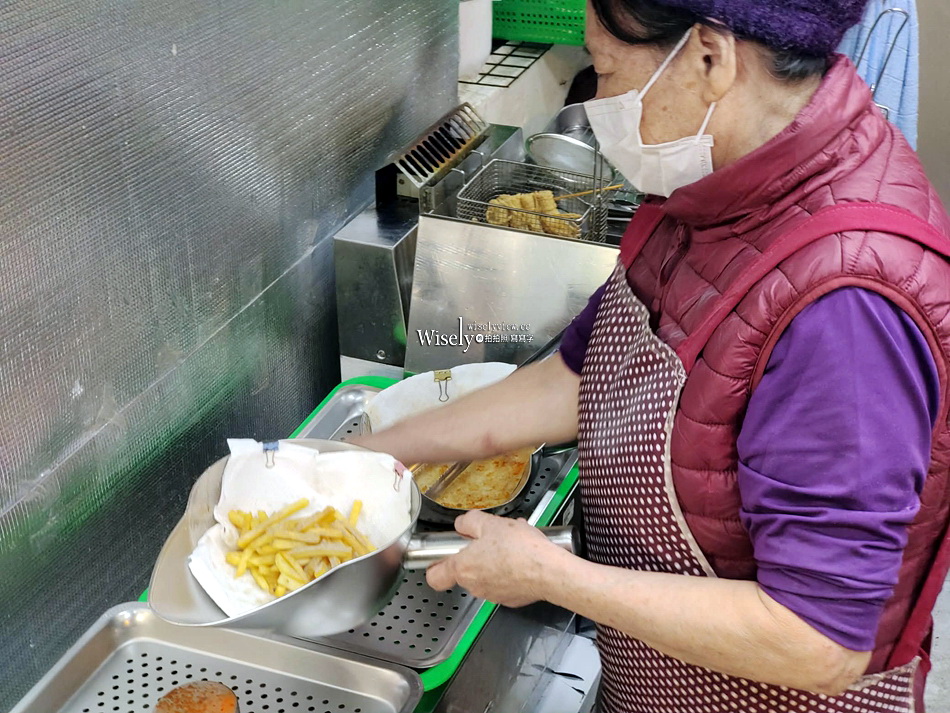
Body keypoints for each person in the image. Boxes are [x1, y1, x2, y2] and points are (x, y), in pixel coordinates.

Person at [355, 0, 950, 710]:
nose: (598, 102)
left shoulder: (847, 306)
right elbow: (577, 376)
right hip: (657, 680)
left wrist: (551, 576)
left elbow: (818, 639)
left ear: (709, 58)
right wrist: (367, 454)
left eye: (606, 70)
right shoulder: (714, 190)